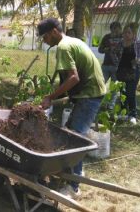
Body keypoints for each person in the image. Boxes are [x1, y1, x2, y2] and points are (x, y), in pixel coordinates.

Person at [38, 18, 106, 199]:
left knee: (74, 139)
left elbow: (73, 78)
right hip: (89, 92)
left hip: (89, 95)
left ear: (53, 31)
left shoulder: (63, 47)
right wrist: (56, 99)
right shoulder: (73, 41)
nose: (44, 41)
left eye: (44, 36)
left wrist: (50, 97)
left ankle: (73, 187)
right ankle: (71, 175)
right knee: (68, 132)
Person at [116, 23, 140, 125]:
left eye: (129, 32)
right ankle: (124, 113)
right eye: (125, 32)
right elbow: (114, 53)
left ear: (133, 34)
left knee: (131, 93)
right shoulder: (120, 43)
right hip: (121, 70)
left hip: (134, 71)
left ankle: (133, 115)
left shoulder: (137, 42)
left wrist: (138, 60)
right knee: (123, 92)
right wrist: (116, 62)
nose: (126, 34)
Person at [98, 21, 123, 109]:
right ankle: (98, 101)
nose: (115, 31)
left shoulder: (124, 37)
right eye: (113, 29)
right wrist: (107, 49)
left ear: (120, 29)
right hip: (106, 65)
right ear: (111, 29)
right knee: (100, 84)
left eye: (117, 29)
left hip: (117, 66)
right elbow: (100, 49)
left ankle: (111, 105)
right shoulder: (107, 37)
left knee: (114, 87)